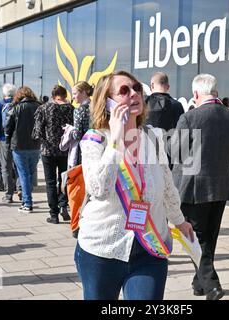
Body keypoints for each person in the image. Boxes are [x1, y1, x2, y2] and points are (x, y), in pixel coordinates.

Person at [75, 70, 193, 300]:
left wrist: (179, 220)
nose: (134, 93)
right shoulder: (95, 140)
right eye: (123, 90)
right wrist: (116, 140)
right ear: (107, 101)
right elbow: (99, 190)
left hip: (149, 248)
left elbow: (167, 185)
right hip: (103, 250)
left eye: (137, 88)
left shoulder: (152, 137)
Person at [171, 74, 229, 300]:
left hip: (194, 187)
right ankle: (199, 283)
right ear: (215, 92)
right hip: (221, 184)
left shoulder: (189, 117)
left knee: (194, 238)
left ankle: (211, 285)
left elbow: (177, 154)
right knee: (209, 236)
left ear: (195, 94)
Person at [32, 85, 74, 224]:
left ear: (52, 95)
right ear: (64, 95)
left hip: (48, 151)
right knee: (64, 180)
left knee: (50, 182)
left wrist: (46, 140)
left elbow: (37, 131)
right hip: (65, 150)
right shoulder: (71, 109)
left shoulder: (44, 108)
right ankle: (64, 207)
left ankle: (54, 214)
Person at [5, 86, 41, 213]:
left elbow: (8, 127)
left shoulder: (15, 108)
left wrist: (8, 141)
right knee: (30, 174)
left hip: (19, 146)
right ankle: (26, 197)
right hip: (35, 146)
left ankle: (27, 203)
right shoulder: (39, 106)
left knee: (24, 174)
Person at [0, 83, 20, 203]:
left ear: (4, 93)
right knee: (19, 166)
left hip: (5, 139)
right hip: (18, 139)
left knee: (6, 167)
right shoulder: (19, 104)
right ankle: (20, 190)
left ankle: (9, 195)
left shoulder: (0, 104)